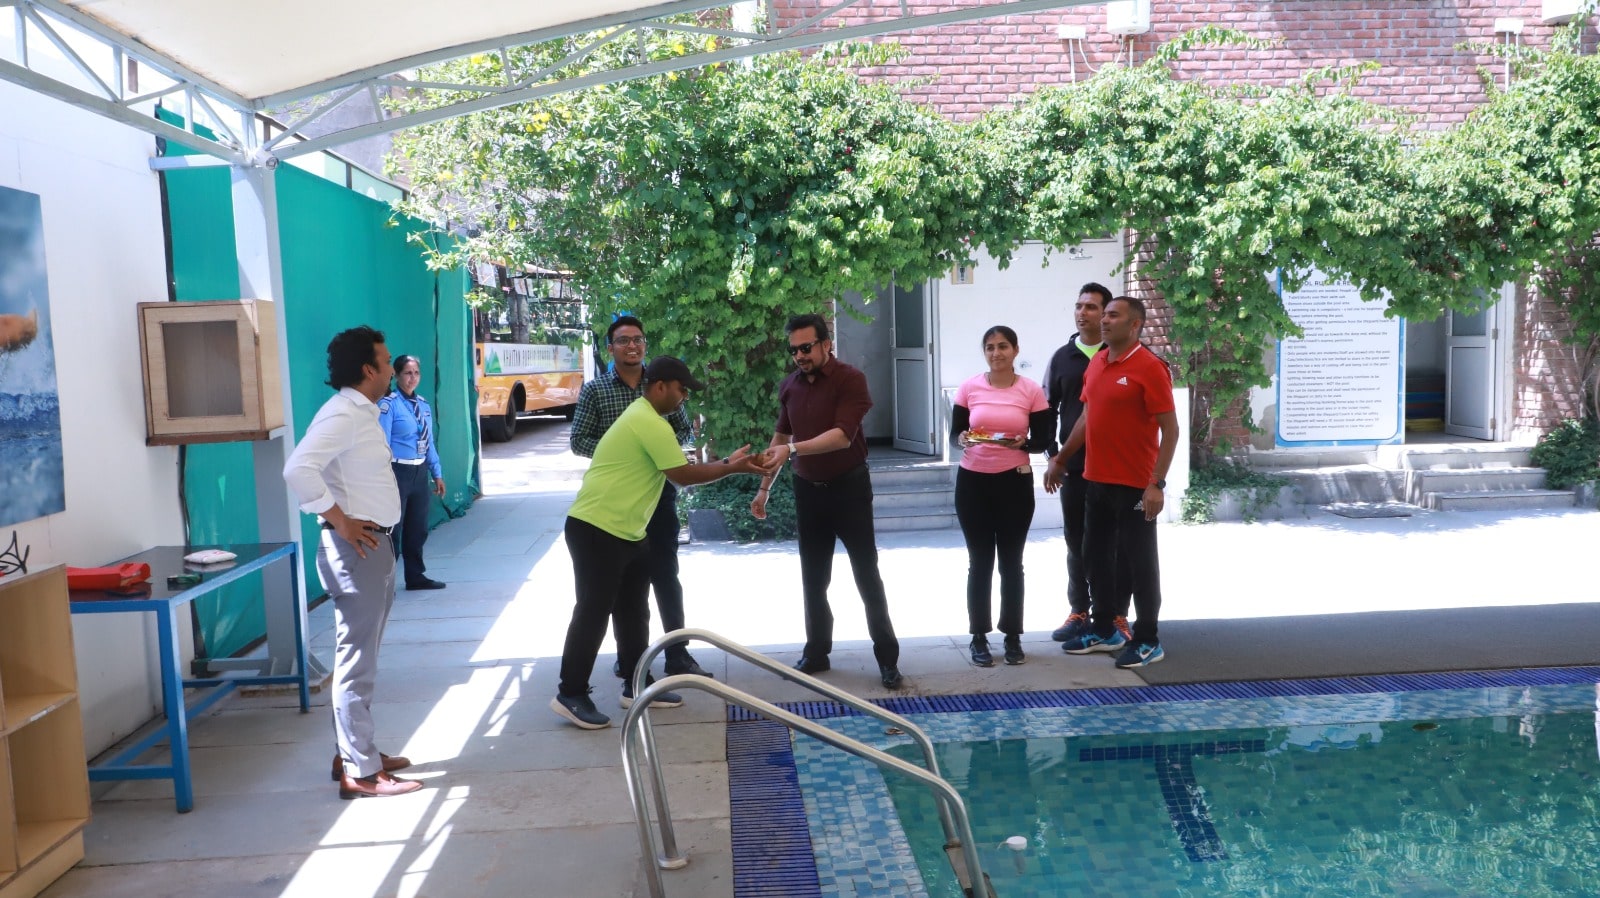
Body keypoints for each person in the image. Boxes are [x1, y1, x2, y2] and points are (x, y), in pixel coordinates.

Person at [551, 357, 769, 730]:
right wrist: (731, 467)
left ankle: (636, 685)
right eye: (682, 390)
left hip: (628, 531)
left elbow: (679, 470)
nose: (684, 398)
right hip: (596, 527)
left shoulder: (649, 419)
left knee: (634, 611)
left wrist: (726, 463)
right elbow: (682, 475)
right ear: (660, 386)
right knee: (594, 610)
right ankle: (570, 693)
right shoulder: (647, 420)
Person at [283, 325, 421, 799]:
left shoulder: (361, 412)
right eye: (386, 363)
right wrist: (340, 521)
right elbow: (298, 469)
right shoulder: (343, 413)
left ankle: (353, 752)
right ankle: (360, 772)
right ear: (368, 369)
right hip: (356, 549)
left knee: (362, 658)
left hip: (373, 547)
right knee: (357, 662)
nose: (393, 370)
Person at [751, 313, 904, 689]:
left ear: (825, 344)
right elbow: (780, 438)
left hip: (849, 489)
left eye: (806, 348)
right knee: (814, 578)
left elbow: (841, 436)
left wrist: (792, 449)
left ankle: (888, 659)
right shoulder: (790, 386)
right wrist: (764, 488)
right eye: (793, 350)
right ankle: (817, 652)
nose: (799, 356)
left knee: (866, 575)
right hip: (808, 491)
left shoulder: (851, 380)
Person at [570, 316, 711, 679]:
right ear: (610, 348)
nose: (632, 346)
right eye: (623, 340)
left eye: (638, 339)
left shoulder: (662, 383)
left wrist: (657, 450)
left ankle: (676, 654)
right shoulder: (596, 390)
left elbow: (682, 431)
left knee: (665, 575)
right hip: (617, 502)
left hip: (656, 494)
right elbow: (579, 441)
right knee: (612, 594)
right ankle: (625, 664)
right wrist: (623, 449)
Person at [1046, 296, 1179, 668]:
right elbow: (1087, 417)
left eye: (1113, 315)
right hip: (1097, 481)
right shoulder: (1098, 362)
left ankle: (1149, 639)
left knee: (1139, 563)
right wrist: (1061, 459)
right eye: (1103, 314)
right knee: (1095, 557)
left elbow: (1171, 430)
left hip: (1136, 486)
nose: (1104, 320)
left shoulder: (1150, 367)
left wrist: (1157, 483)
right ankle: (1104, 629)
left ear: (1134, 324)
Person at [951, 325, 1052, 667]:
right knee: (979, 562)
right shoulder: (969, 388)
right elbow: (955, 435)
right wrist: (962, 439)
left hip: (1014, 484)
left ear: (1015, 350)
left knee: (1011, 563)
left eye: (1003, 346)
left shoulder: (1031, 391)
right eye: (990, 347)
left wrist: (1023, 443)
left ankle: (1012, 636)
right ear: (985, 352)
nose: (997, 353)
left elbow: (1042, 441)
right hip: (973, 484)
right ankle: (978, 637)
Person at [1039, 283, 1131, 645]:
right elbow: (1047, 409)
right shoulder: (1062, 358)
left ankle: (1116, 615)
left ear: (1106, 314)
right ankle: (1080, 611)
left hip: (1116, 468)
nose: (1083, 313)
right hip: (1075, 466)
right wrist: (1053, 455)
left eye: (1092, 307)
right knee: (1076, 541)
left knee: (1115, 544)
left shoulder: (1120, 355)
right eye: (1079, 306)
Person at [378, 354, 446, 591]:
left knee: (418, 527)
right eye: (407, 373)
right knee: (394, 528)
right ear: (396, 375)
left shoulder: (423, 405)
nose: (412, 378)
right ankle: (384, 581)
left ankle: (415, 576)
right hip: (397, 471)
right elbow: (382, 443)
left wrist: (436, 472)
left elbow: (429, 442)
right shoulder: (388, 405)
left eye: (416, 373)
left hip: (419, 471)